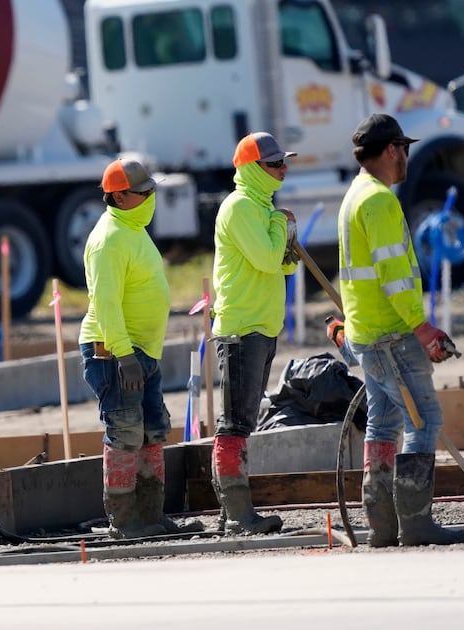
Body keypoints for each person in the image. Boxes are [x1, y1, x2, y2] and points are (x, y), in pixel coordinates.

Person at [335, 113, 464, 547]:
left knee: (384, 421)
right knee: (423, 418)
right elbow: (394, 275)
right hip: (391, 333)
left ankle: (381, 525)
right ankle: (414, 521)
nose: (407, 157)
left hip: (368, 332)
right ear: (392, 150)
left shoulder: (355, 195)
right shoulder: (378, 200)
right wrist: (423, 328)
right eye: (404, 149)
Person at [79, 157, 203, 539]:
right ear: (119, 196)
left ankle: (151, 515)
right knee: (125, 432)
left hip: (142, 353)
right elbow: (106, 304)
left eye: (152, 189)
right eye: (144, 191)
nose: (151, 196)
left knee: (153, 430)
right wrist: (124, 355)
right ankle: (124, 520)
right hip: (116, 353)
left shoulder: (134, 228)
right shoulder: (109, 238)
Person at [209, 132, 299, 535]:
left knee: (242, 422)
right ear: (252, 168)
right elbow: (266, 258)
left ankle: (236, 513)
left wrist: (286, 238)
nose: (284, 169)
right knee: (235, 424)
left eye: (284, 162)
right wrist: (281, 226)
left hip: (260, 327)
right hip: (241, 330)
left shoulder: (262, 207)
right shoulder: (242, 207)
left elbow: (283, 266)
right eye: (276, 163)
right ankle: (237, 515)